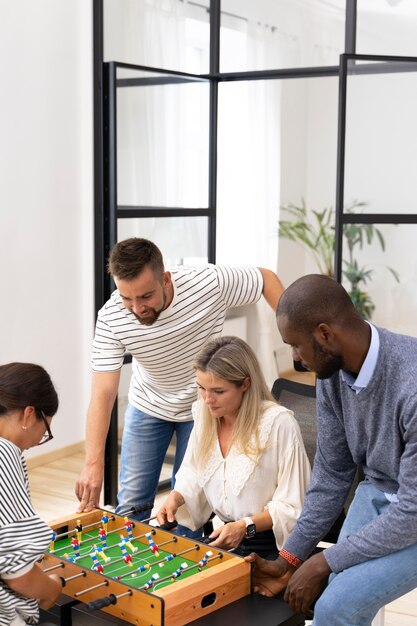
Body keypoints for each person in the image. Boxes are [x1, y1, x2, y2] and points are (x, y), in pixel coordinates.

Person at [246, 274, 417, 626]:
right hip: (380, 489)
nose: (295, 357)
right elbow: (332, 473)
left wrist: (326, 560)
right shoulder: (333, 374)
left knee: (336, 606)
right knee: (331, 592)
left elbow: (412, 512)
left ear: (324, 334)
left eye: (296, 345)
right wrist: (288, 559)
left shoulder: (411, 383)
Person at [75, 238, 285, 525]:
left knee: (188, 507)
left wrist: (292, 335)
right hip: (148, 405)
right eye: (127, 297)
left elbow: (264, 279)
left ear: (164, 279)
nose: (136, 308)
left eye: (146, 296)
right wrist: (92, 463)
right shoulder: (112, 317)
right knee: (131, 508)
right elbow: (103, 394)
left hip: (205, 409)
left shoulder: (207, 283)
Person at [156, 336, 311, 558]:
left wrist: (245, 526)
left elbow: (295, 505)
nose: (208, 399)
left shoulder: (279, 423)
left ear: (245, 384)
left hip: (273, 550)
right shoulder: (205, 415)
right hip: (225, 540)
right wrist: (176, 497)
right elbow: (194, 470)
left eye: (218, 391)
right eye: (202, 388)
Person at [0, 362, 62, 626]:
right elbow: (17, 574)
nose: (39, 441)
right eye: (44, 429)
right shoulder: (4, 456)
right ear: (28, 415)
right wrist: (51, 589)